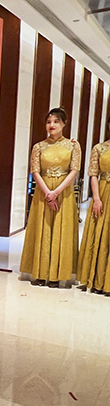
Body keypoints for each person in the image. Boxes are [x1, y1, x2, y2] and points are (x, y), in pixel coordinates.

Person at [20, 107, 81, 288]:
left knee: (61, 231)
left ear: (64, 124)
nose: (51, 125)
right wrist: (48, 192)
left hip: (64, 192)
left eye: (56, 121)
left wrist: (56, 192)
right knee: (42, 229)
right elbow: (35, 171)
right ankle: (39, 272)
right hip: (43, 192)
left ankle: (56, 275)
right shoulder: (38, 146)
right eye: (48, 122)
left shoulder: (73, 145)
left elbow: (74, 170)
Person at [77, 116, 110, 294]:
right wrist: (96, 198)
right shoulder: (99, 148)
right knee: (99, 235)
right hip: (103, 193)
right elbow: (93, 175)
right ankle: (96, 281)